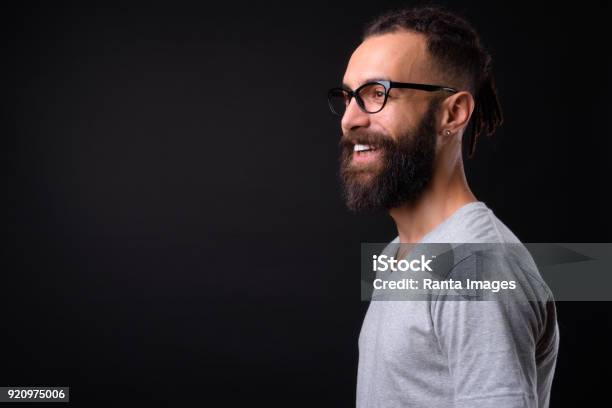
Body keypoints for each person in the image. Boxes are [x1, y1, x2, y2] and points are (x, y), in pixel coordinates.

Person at [327, 5, 559, 408]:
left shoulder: (475, 266)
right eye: (348, 96)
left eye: (377, 94)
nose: (349, 119)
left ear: (452, 112)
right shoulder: (402, 254)